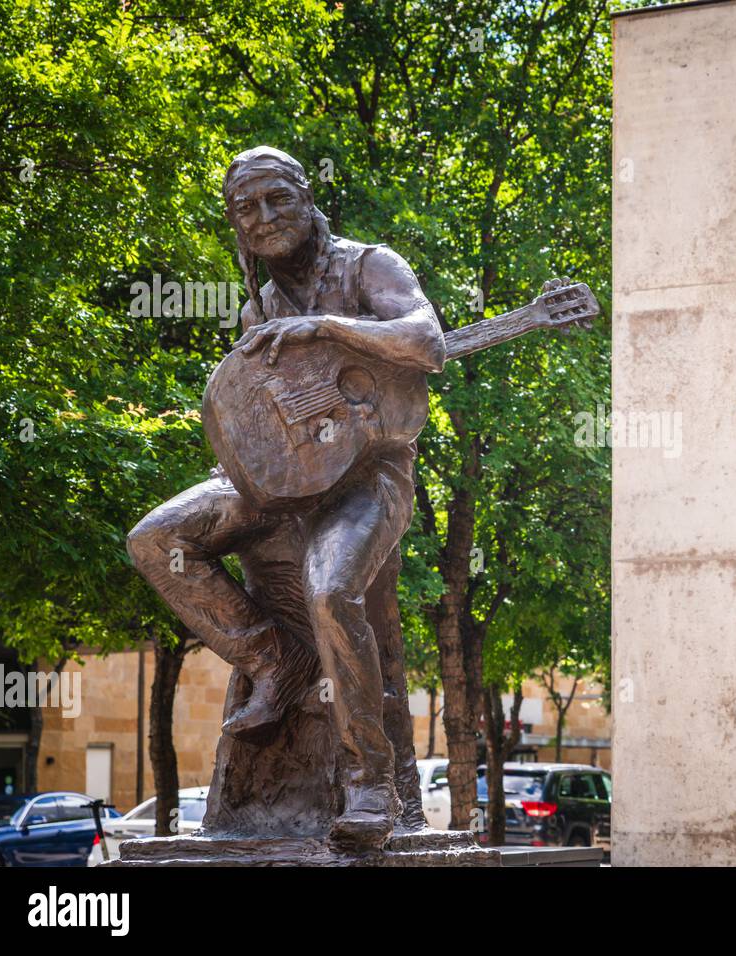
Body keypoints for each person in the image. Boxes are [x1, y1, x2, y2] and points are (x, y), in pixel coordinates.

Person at [127, 146, 444, 850]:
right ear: (236, 226)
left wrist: (328, 327)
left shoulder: (370, 266)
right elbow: (264, 418)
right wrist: (239, 470)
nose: (264, 217)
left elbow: (427, 340)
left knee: (330, 588)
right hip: (284, 483)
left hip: (371, 478)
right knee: (155, 539)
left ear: (307, 199)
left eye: (277, 199)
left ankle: (369, 783)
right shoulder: (258, 308)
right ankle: (275, 659)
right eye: (247, 208)